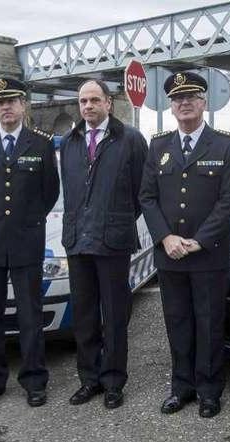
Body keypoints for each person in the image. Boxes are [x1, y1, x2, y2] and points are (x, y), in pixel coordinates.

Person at [139, 71, 230, 418]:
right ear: (171, 105)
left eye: (191, 97)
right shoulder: (159, 146)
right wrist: (165, 237)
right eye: (177, 98)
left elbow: (229, 202)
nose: (184, 103)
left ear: (203, 102)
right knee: (177, 322)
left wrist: (198, 241)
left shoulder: (226, 145)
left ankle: (209, 391)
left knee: (209, 323)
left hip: (208, 255)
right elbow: (147, 197)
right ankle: (181, 387)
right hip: (170, 254)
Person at [0, 77, 60, 408]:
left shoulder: (41, 144)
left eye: (12, 101)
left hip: (25, 240)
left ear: (23, 105)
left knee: (29, 315)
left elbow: (50, 192)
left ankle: (34, 380)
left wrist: (28, 220)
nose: (6, 107)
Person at [59, 79, 147, 409]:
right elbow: (69, 192)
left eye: (95, 100)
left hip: (112, 243)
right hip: (78, 242)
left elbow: (141, 193)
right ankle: (89, 379)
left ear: (108, 103)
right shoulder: (69, 142)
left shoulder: (130, 140)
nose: (88, 107)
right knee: (83, 317)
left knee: (115, 316)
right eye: (83, 101)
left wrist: (115, 220)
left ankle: (113, 381)